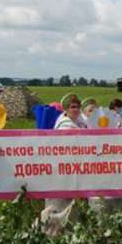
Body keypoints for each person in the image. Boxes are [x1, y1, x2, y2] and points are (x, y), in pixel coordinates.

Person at [40, 93, 86, 236]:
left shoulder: (81, 123)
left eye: (78, 107)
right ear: (66, 109)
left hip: (77, 169)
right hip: (63, 170)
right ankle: (55, 233)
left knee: (73, 206)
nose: (76, 110)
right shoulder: (65, 125)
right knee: (60, 204)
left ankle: (70, 231)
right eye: (72, 107)